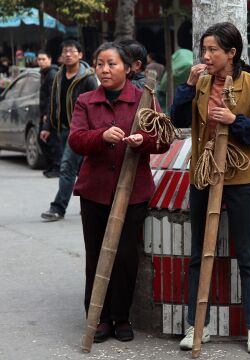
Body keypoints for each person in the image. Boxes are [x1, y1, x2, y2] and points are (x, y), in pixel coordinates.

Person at [170, 21, 250, 354]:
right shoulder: (200, 83)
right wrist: (187, 85)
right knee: (200, 253)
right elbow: (178, 119)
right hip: (203, 175)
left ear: (232, 52)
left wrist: (235, 121)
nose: (206, 55)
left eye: (213, 49)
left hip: (241, 178)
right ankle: (197, 323)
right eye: (204, 49)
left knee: (248, 254)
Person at [68, 42, 170, 343]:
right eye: (99, 64)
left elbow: (163, 139)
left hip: (133, 191)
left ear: (129, 67)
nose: (104, 69)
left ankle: (121, 317)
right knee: (96, 254)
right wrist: (101, 136)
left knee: (126, 256)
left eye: (111, 64)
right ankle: (97, 316)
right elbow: (75, 140)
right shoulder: (86, 100)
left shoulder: (144, 99)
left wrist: (143, 140)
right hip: (95, 191)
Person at [39, 40, 98, 221]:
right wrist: (48, 126)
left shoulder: (87, 78)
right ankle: (91, 204)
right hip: (63, 129)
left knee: (66, 168)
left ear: (80, 55)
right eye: (65, 52)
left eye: (72, 51)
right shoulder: (58, 76)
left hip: (80, 131)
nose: (68, 55)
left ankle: (58, 207)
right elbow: (53, 102)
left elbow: (96, 105)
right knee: (80, 170)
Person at [36, 50, 61, 178]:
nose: (41, 62)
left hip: (51, 113)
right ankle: (51, 166)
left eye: (43, 59)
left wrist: (48, 114)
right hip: (45, 112)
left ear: (50, 59)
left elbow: (53, 97)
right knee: (42, 140)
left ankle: (56, 167)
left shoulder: (52, 74)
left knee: (51, 141)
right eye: (39, 59)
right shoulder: (44, 74)